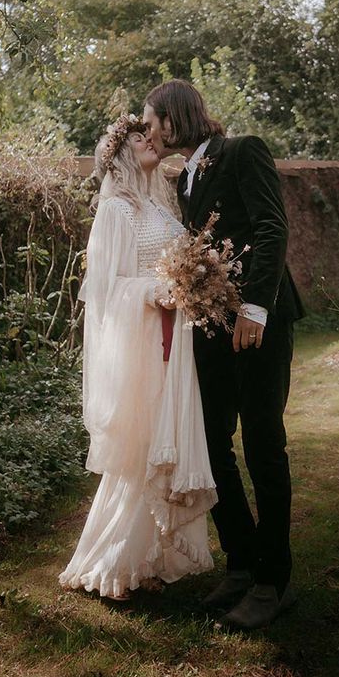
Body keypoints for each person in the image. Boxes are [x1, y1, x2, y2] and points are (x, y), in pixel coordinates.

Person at [143, 80, 305, 630]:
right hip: (211, 331)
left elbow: (271, 226)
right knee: (211, 445)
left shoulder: (242, 151)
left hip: (259, 324)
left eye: (152, 121)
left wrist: (255, 307)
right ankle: (241, 561)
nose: (149, 132)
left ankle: (273, 581)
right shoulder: (183, 180)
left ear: (174, 117)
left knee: (264, 448)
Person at [59, 113, 217, 601]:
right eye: (137, 137)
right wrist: (157, 290)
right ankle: (117, 557)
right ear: (120, 153)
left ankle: (159, 555)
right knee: (143, 447)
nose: (149, 139)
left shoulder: (163, 207)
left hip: (178, 341)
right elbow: (106, 291)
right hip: (145, 342)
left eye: (148, 132)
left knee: (166, 440)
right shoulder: (117, 211)